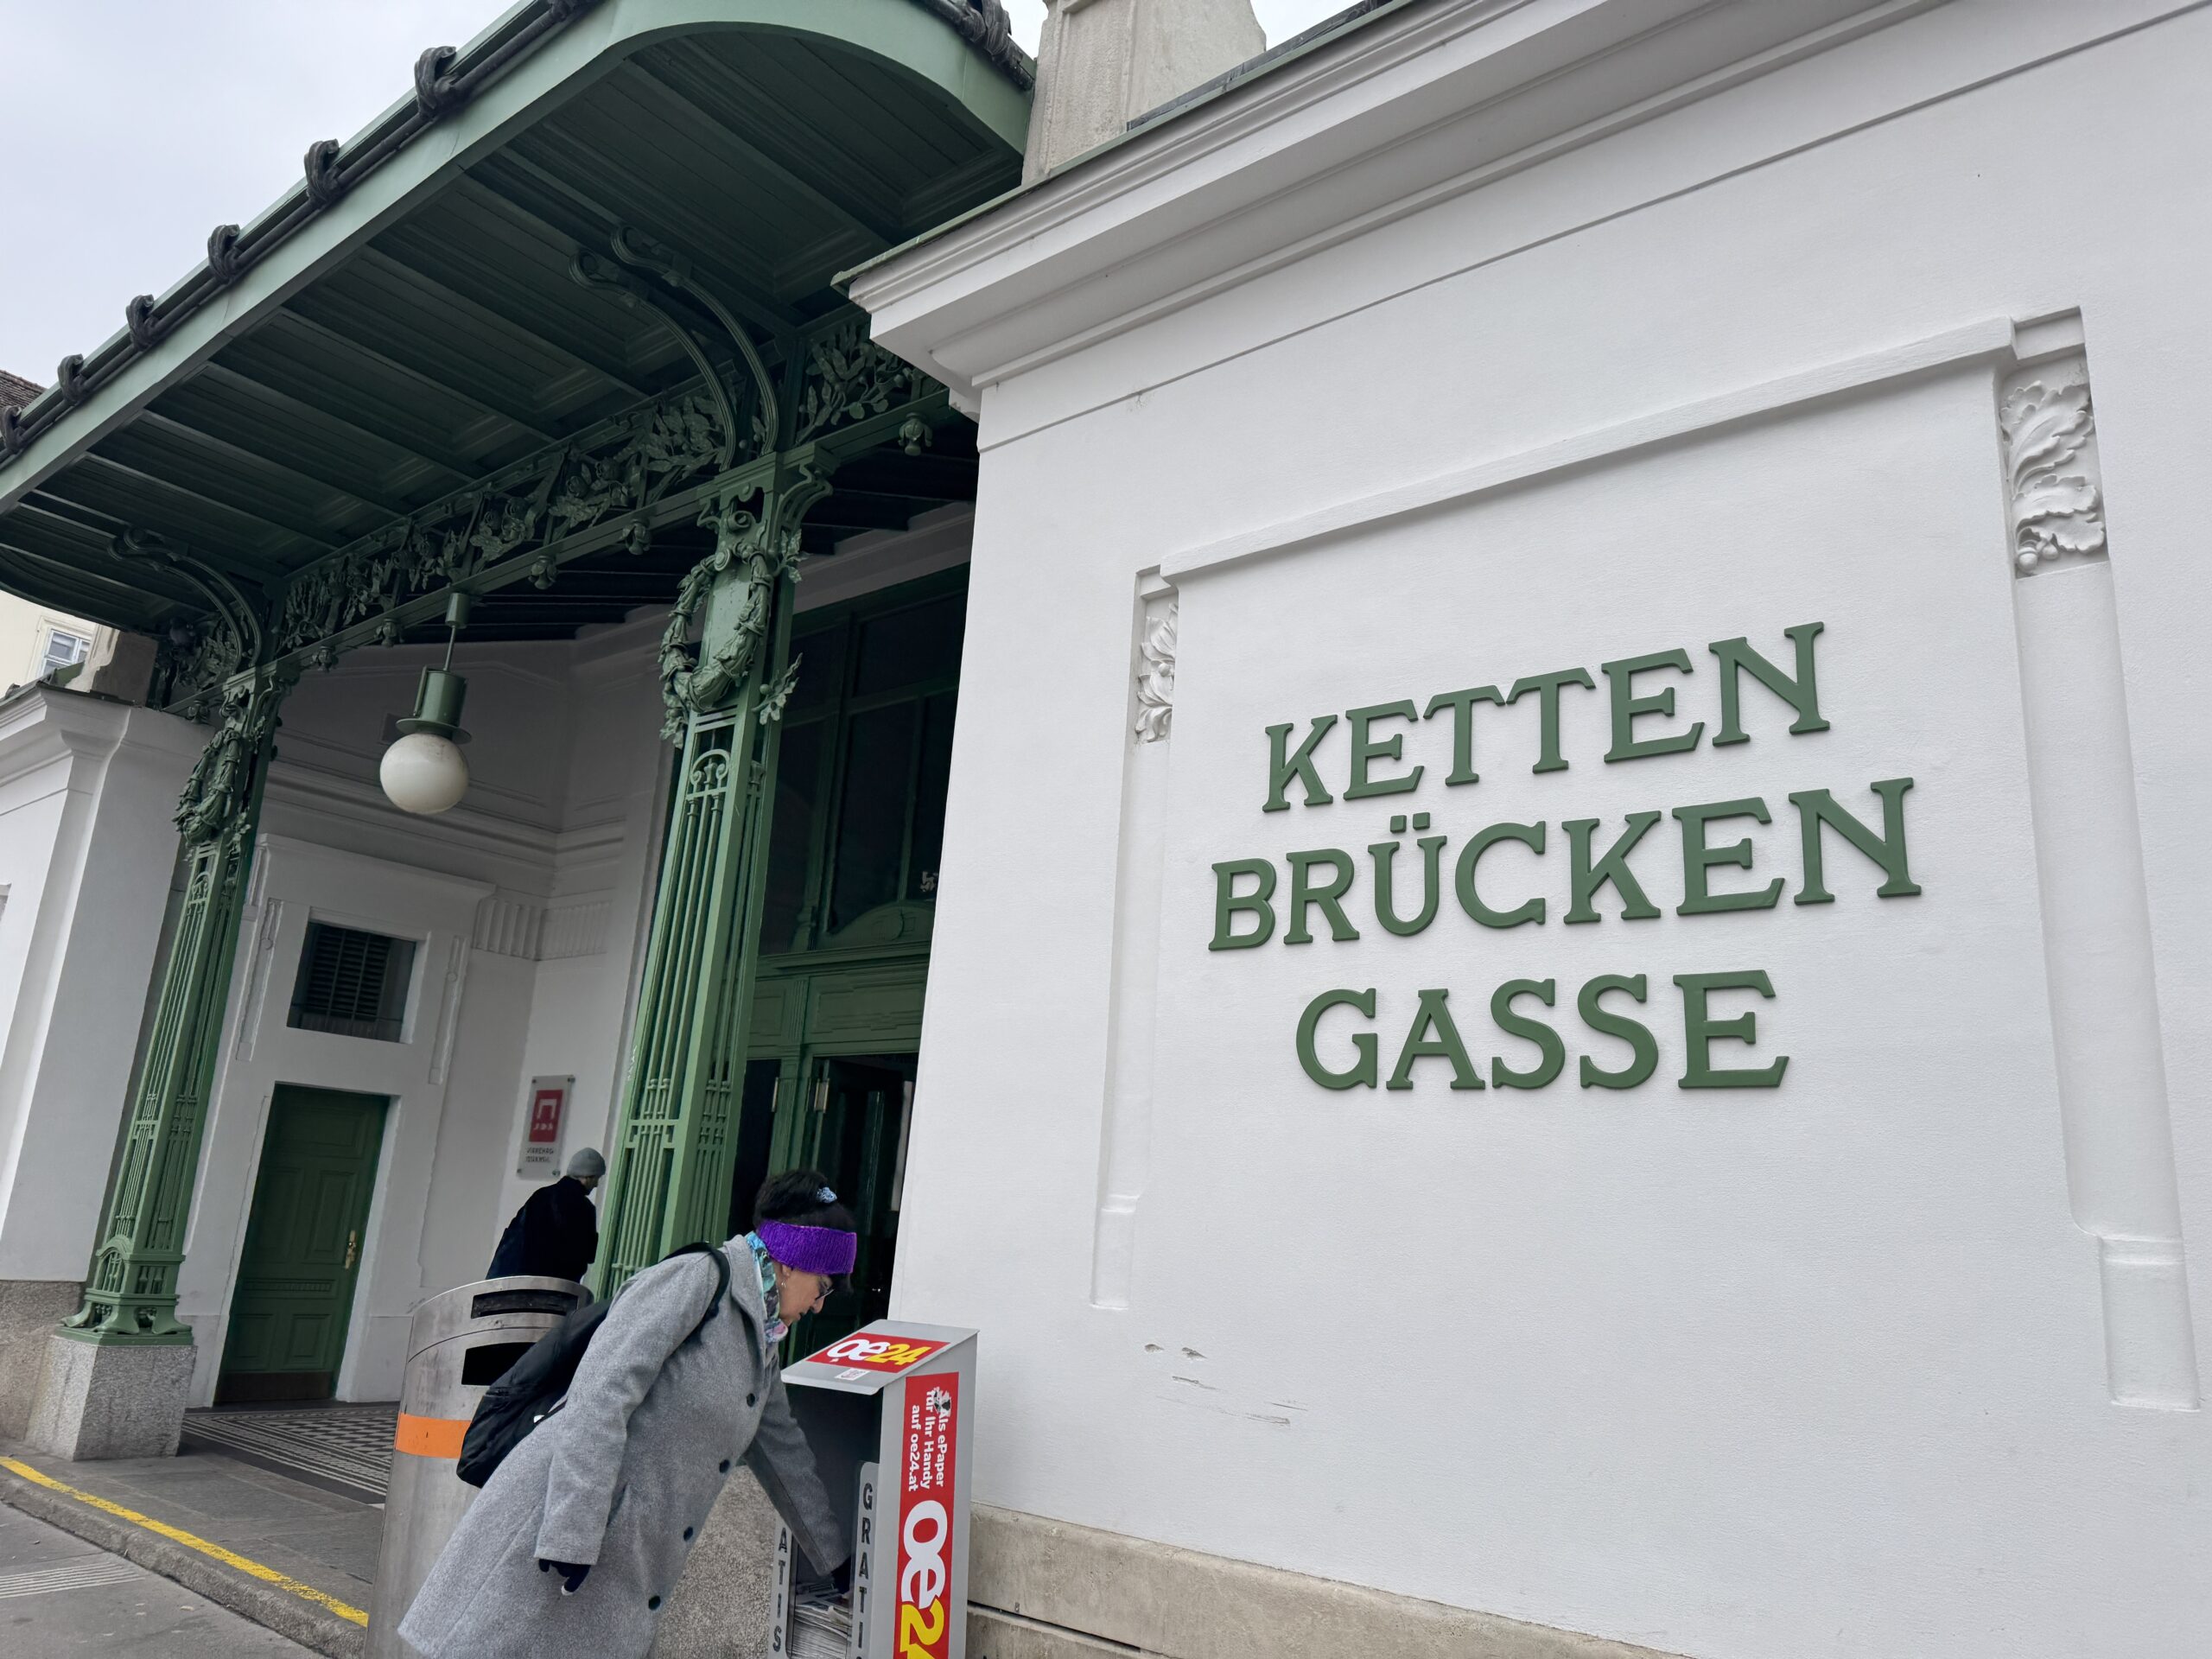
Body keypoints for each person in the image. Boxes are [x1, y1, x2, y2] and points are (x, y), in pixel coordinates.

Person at [399, 1171, 857, 1659]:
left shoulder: (761, 1343)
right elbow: (601, 1391)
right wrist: (571, 1532)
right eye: (823, 1287)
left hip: (621, 1559)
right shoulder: (698, 1279)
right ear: (791, 1263)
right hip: (562, 1535)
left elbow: (785, 1453)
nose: (819, 1305)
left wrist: (837, 1562)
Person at [487, 1147, 604, 1283]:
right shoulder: (585, 1208)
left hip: (516, 1281)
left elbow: (513, 1239)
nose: (596, 1184)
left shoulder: (540, 1196)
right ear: (587, 1177)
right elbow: (588, 1254)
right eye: (596, 1178)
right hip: (556, 1286)